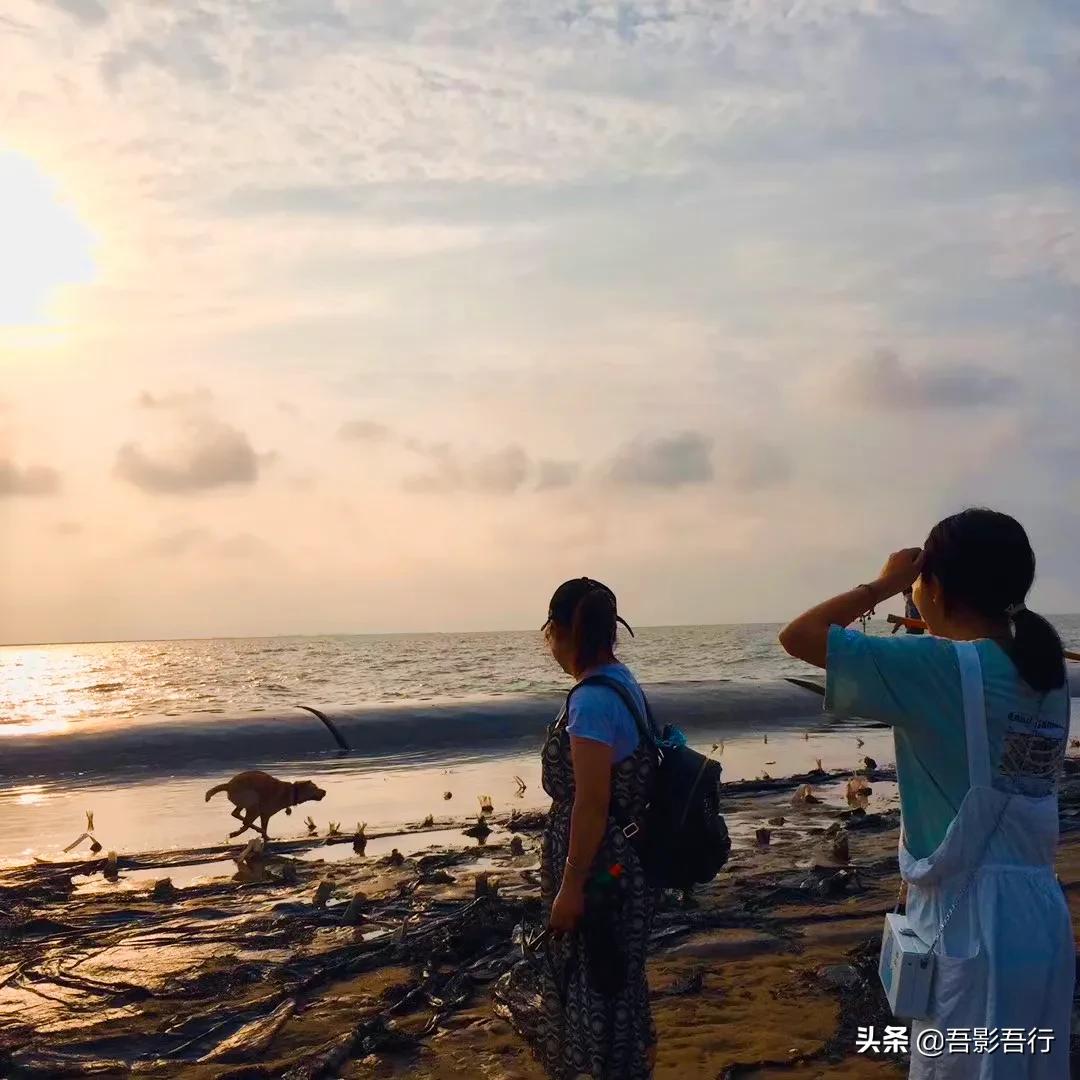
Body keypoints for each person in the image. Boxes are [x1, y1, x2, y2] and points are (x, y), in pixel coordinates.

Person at [779, 508, 1073, 1078]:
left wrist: (884, 582)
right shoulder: (1046, 673)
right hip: (1039, 914)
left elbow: (799, 637)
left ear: (935, 586)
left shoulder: (941, 666)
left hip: (972, 927)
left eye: (919, 583)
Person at [537, 576, 657, 1079]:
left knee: (595, 984)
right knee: (617, 982)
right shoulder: (622, 682)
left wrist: (570, 886)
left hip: (601, 870)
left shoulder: (589, 701)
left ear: (559, 632)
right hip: (624, 861)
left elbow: (591, 803)